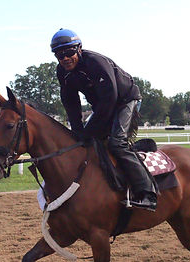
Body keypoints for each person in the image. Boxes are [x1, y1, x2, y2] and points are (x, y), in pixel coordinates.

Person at [50, 28, 157, 211]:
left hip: (125, 100)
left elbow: (110, 99)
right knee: (89, 143)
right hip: (103, 104)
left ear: (79, 49)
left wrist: (89, 131)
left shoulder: (95, 63)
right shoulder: (63, 72)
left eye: (69, 53)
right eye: (60, 55)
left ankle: (147, 193)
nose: (65, 58)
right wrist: (77, 132)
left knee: (116, 143)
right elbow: (71, 104)